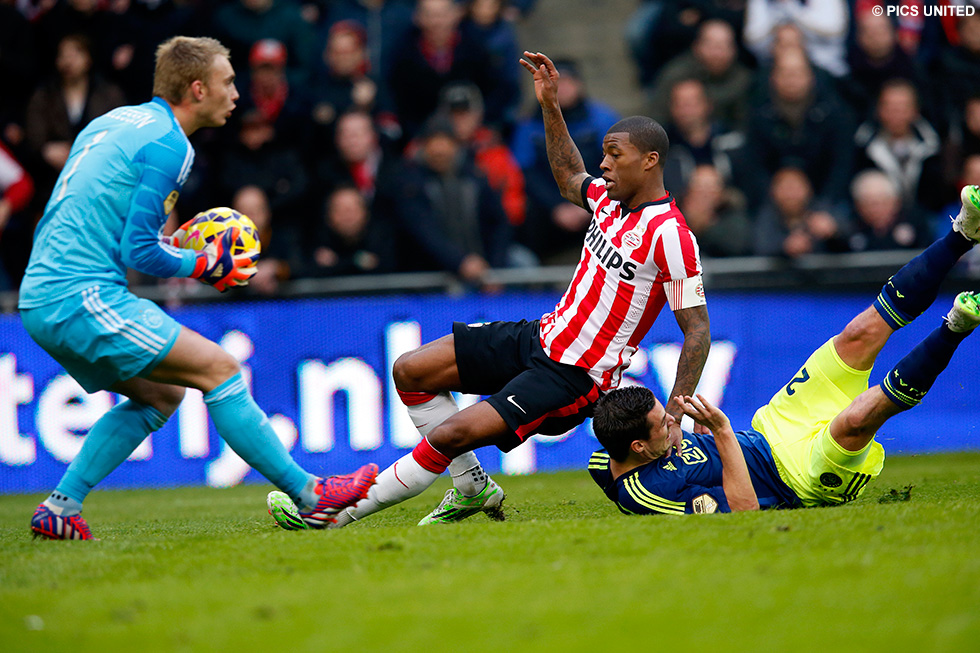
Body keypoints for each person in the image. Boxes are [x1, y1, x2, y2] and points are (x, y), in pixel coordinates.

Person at [269, 51, 711, 530]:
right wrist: (550, 105)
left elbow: (697, 330)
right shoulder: (607, 199)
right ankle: (473, 489)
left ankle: (334, 512)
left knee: (454, 433)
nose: (603, 164)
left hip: (576, 377)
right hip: (540, 338)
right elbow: (567, 178)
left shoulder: (671, 234)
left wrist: (675, 413)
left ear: (650, 161)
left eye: (614, 155)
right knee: (411, 370)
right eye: (602, 153)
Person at [19, 36, 376, 540]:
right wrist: (206, 262)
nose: (236, 93)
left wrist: (180, 249)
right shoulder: (170, 146)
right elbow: (139, 252)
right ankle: (313, 497)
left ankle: (61, 506)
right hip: (80, 293)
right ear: (197, 88)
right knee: (220, 369)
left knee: (161, 395)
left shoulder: (114, 122)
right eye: (228, 82)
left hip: (41, 293)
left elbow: (112, 228)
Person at [588, 186, 980, 514]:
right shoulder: (648, 492)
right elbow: (744, 511)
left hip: (772, 426)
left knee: (858, 334)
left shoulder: (606, 458)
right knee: (856, 419)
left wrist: (700, 430)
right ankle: (956, 326)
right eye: (664, 424)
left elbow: (617, 461)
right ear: (639, 447)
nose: (673, 422)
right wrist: (722, 432)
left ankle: (963, 233)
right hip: (797, 477)